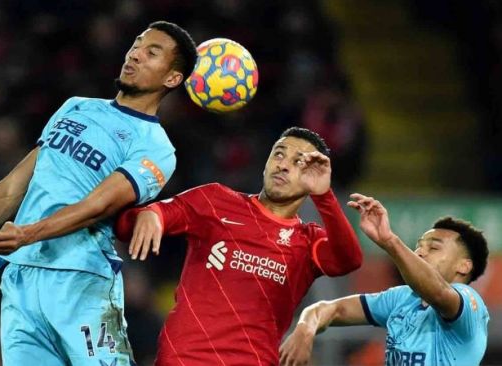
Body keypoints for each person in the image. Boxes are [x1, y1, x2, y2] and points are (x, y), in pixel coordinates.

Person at [0, 21, 197, 366]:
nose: (135, 54)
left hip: (81, 283)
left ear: (172, 78)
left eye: (152, 52)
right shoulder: (75, 107)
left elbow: (96, 206)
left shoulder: (156, 147)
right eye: (136, 44)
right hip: (21, 280)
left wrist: (26, 233)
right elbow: (9, 190)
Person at [115, 127, 364, 366]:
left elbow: (348, 260)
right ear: (265, 163)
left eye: (299, 162)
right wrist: (150, 213)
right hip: (184, 360)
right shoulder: (215, 200)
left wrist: (325, 196)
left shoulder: (308, 240)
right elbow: (131, 223)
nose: (283, 164)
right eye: (279, 153)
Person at [279, 195, 489, 366]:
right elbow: (331, 309)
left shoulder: (470, 304)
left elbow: (439, 293)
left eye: (433, 247)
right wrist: (305, 329)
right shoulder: (402, 299)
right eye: (419, 245)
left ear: (464, 266)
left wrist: (389, 241)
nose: (419, 252)